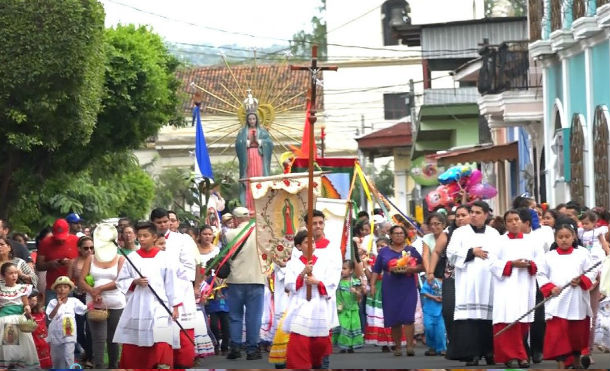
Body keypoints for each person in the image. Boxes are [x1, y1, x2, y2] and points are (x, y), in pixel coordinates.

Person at [113, 221, 182, 368]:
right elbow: (121, 281)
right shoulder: (132, 257)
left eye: (145, 236)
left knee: (161, 339)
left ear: (155, 237)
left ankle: (161, 365)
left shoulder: (165, 258)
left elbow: (172, 283)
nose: (142, 239)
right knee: (137, 342)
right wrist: (135, 281)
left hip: (160, 305)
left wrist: (175, 306)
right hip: (139, 304)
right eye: (139, 236)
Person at [283, 222, 343, 369]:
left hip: (318, 304)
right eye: (306, 242)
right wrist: (303, 272)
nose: (311, 244)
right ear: (298, 247)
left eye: (312, 241)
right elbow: (289, 285)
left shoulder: (325, 262)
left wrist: (317, 282)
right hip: (301, 304)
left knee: (320, 342)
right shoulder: (292, 263)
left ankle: (317, 362)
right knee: (299, 340)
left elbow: (332, 282)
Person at [446, 201, 498, 366]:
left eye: (477, 212)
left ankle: (490, 352)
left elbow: (499, 256)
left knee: (488, 319)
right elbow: (451, 255)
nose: (473, 215)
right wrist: (472, 252)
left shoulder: (494, 234)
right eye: (472, 212)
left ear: (486, 214)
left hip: (489, 282)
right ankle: (472, 354)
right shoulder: (460, 233)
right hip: (468, 282)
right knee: (470, 320)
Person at [489, 210, 542, 368]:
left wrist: (531, 264)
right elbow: (491, 263)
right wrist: (511, 264)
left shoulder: (532, 241)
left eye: (516, 219)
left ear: (521, 221)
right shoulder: (498, 242)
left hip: (525, 285)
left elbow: (541, 261)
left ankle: (520, 355)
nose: (514, 223)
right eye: (510, 220)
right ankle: (513, 357)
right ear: (505, 224)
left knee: (523, 320)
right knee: (506, 320)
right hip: (505, 286)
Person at [538, 223, 596, 369]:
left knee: (576, 335)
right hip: (558, 302)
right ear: (555, 238)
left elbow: (592, 272)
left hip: (577, 300)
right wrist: (550, 288)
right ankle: (561, 364)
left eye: (567, 236)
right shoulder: (548, 257)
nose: (564, 240)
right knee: (558, 335)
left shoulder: (582, 253)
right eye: (560, 237)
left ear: (573, 237)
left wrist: (581, 280)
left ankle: (576, 362)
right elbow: (541, 274)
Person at [151, 208, 198, 368]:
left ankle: (182, 363)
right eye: (159, 222)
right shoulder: (147, 240)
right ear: (153, 223)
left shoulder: (182, 240)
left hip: (180, 289)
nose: (164, 225)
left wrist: (170, 273)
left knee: (181, 332)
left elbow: (190, 268)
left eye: (166, 221)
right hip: (156, 292)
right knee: (160, 333)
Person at [370, 225, 424, 357]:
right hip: (390, 286)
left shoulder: (411, 250)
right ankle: (398, 347)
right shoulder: (384, 251)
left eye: (401, 233)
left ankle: (410, 346)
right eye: (396, 233)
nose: (399, 235)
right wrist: (372, 285)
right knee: (394, 318)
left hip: (408, 286)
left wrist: (410, 269)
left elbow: (422, 266)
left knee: (408, 317)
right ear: (391, 235)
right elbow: (376, 270)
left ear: (405, 235)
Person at [77, 224, 126, 369]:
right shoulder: (90, 258)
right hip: (95, 303)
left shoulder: (120, 259)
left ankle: (113, 366)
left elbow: (120, 281)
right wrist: (92, 291)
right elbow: (81, 279)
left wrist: (99, 289)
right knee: (98, 339)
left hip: (116, 302)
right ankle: (98, 366)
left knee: (113, 339)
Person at [427, 204, 470, 360]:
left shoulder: (480, 233)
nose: (459, 218)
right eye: (457, 216)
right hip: (451, 276)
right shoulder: (448, 232)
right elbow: (437, 252)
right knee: (449, 310)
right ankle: (454, 344)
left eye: (463, 215)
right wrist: (430, 272)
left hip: (473, 278)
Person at [224, 206, 266, 360]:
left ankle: (235, 348)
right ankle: (252, 350)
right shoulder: (260, 231)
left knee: (235, 315)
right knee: (253, 316)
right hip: (256, 278)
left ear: (235, 219)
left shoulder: (228, 234)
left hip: (235, 280)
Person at [0, 262, 39, 368]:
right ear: (3, 276)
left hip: (19, 320)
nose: (14, 276)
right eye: (10, 273)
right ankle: (10, 366)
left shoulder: (22, 288)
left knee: (22, 348)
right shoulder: (1, 289)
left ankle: (18, 366)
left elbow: (26, 304)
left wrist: (27, 308)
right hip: (6, 321)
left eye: (16, 273)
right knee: (10, 348)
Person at [46, 276, 87, 369]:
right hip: (56, 333)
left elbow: (84, 309)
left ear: (69, 290)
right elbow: (50, 316)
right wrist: (58, 305)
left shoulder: (74, 301)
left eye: (65, 287)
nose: (62, 289)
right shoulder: (52, 302)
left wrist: (93, 304)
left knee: (69, 355)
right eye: (59, 287)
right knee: (57, 358)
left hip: (69, 332)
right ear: (55, 289)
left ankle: (70, 368)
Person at [235, 111, 273, 210]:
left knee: (259, 178)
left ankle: (261, 206)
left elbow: (269, 143)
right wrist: (248, 142)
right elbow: (238, 144)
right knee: (249, 179)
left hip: (259, 156)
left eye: (254, 119)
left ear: (257, 119)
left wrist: (259, 141)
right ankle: (250, 206)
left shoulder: (263, 131)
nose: (252, 121)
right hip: (248, 157)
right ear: (247, 120)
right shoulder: (243, 132)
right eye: (250, 119)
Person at [36, 219, 79, 305]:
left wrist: (70, 263)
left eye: (63, 237)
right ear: (53, 232)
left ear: (68, 231)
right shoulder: (45, 242)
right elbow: (38, 266)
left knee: (69, 316)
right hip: (52, 287)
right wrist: (50, 264)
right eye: (58, 237)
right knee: (51, 315)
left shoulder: (76, 241)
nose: (60, 240)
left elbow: (84, 262)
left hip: (72, 286)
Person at [67, 236, 94, 367]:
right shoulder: (74, 262)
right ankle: (88, 353)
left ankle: (90, 356)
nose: (89, 250)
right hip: (78, 297)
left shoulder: (97, 261)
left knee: (90, 329)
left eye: (92, 248)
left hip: (92, 297)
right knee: (77, 328)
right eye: (86, 248)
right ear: (79, 249)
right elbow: (68, 280)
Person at [334, 260, 364, 353]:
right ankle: (344, 346)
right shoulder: (337, 282)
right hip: (342, 309)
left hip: (353, 309)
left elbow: (360, 297)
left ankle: (351, 345)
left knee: (353, 326)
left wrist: (356, 292)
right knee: (344, 326)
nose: (342, 271)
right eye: (341, 268)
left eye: (344, 268)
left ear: (351, 271)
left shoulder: (355, 282)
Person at [420, 277, 445, 356]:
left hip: (441, 309)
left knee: (440, 330)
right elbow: (423, 291)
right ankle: (432, 347)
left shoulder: (448, 281)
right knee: (428, 328)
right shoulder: (431, 279)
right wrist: (434, 297)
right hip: (429, 310)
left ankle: (442, 348)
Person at [29, 290, 52, 368]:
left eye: (34, 299)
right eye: (29, 299)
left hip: (43, 340)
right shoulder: (25, 314)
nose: (32, 302)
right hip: (33, 342)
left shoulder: (41, 313)